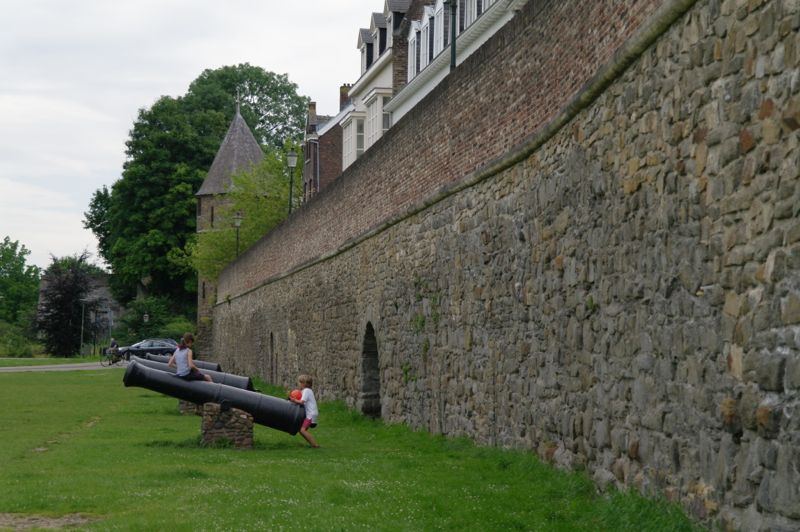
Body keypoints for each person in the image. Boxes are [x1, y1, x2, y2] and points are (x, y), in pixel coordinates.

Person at [288, 374, 320, 448]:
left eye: (299, 382)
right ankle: (313, 444)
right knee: (301, 430)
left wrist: (294, 400)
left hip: (310, 415)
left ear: (303, 383)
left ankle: (315, 445)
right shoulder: (307, 391)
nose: (298, 384)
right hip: (311, 414)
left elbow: (302, 402)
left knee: (302, 430)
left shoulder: (306, 391)